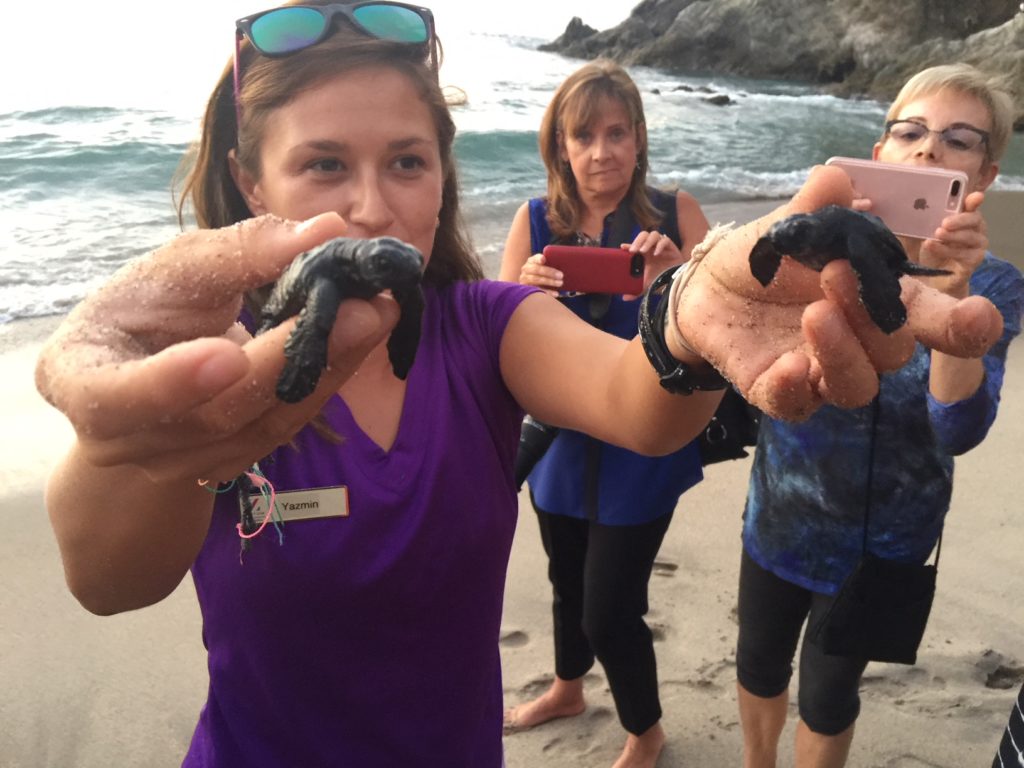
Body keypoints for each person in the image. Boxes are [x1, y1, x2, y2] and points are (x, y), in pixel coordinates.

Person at [32, 2, 1003, 762]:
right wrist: (150, 443)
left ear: (442, 171)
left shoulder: (482, 328)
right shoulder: (205, 361)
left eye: (406, 161)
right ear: (252, 184)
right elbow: (109, 581)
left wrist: (686, 315)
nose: (371, 203)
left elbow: (640, 401)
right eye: (323, 163)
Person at [734, 63, 1024, 768]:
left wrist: (954, 303)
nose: (929, 150)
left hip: (887, 541)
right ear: (880, 149)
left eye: (959, 140)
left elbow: (958, 429)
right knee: (758, 666)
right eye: (911, 131)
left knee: (829, 696)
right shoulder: (813, 251)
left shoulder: (996, 286)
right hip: (782, 513)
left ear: (985, 171)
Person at [497, 59, 708, 768]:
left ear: (640, 139)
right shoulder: (533, 222)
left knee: (609, 607)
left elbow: (725, 331)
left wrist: (676, 279)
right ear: (559, 144)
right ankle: (566, 686)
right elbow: (494, 346)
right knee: (564, 579)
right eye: (582, 135)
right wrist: (522, 298)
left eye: (617, 133)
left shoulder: (676, 216)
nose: (601, 152)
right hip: (558, 441)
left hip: (644, 442)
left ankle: (645, 730)